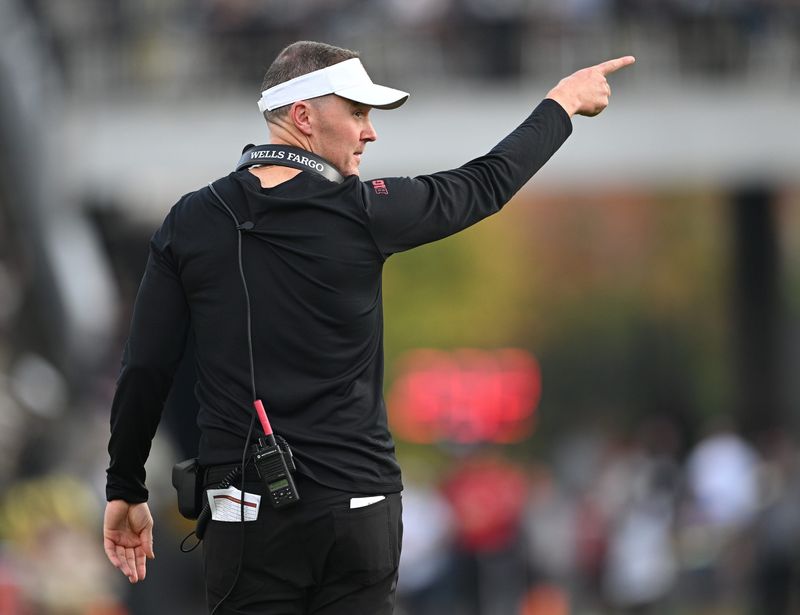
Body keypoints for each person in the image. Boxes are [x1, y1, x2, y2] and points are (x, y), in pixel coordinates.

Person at [102, 40, 634, 614]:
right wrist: (561, 104)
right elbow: (485, 184)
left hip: (243, 509)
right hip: (360, 506)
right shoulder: (365, 210)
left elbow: (146, 367)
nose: (370, 132)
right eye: (357, 112)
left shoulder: (189, 221)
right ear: (303, 116)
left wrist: (125, 486)